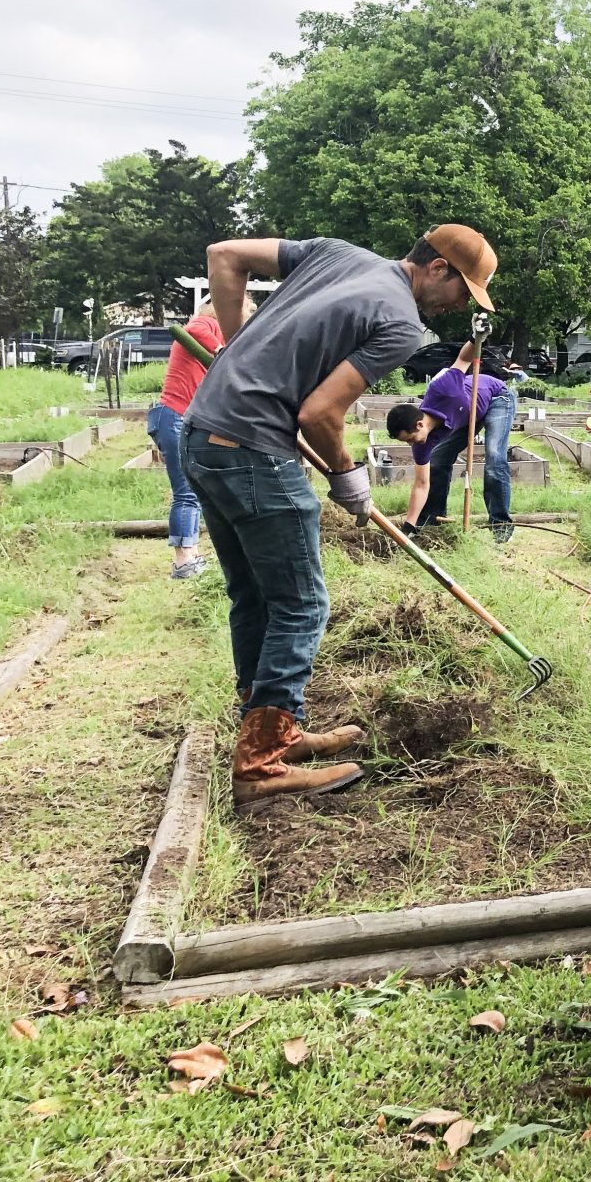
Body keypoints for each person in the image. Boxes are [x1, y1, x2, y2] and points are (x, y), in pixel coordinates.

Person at [184, 226, 494, 809]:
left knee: (254, 596)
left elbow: (223, 255)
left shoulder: (338, 254)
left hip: (204, 437)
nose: (459, 308)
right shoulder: (401, 322)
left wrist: (237, 347)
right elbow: (319, 412)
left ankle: (270, 728)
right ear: (437, 269)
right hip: (253, 450)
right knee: (302, 606)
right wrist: (347, 474)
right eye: (463, 292)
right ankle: (260, 765)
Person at [148, 300, 243, 578]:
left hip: (180, 418)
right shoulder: (206, 323)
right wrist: (220, 351)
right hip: (174, 417)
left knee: (197, 489)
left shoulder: (216, 334)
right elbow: (192, 328)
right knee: (186, 491)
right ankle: (183, 562)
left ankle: (192, 553)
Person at [386, 348, 519, 541]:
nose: (410, 444)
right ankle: (431, 519)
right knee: (438, 461)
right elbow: (421, 484)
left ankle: (500, 525)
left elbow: (464, 358)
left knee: (494, 457)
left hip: (496, 398)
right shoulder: (421, 442)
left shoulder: (441, 388)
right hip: (465, 417)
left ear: (419, 425)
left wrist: (475, 337)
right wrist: (409, 525)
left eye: (409, 439)